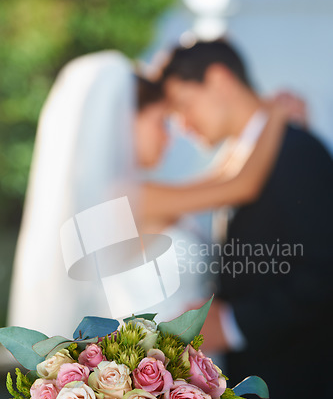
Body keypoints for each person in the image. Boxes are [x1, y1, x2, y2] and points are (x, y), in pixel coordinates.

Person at [9, 50, 293, 340]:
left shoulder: (122, 196)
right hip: (167, 358)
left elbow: (221, 180)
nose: (169, 137)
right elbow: (239, 186)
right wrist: (274, 116)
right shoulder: (131, 198)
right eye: (161, 123)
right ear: (125, 122)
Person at [160, 39, 333, 399]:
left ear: (217, 79)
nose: (181, 125)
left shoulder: (297, 150)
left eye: (182, 105)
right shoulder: (240, 162)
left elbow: (323, 273)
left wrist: (232, 323)